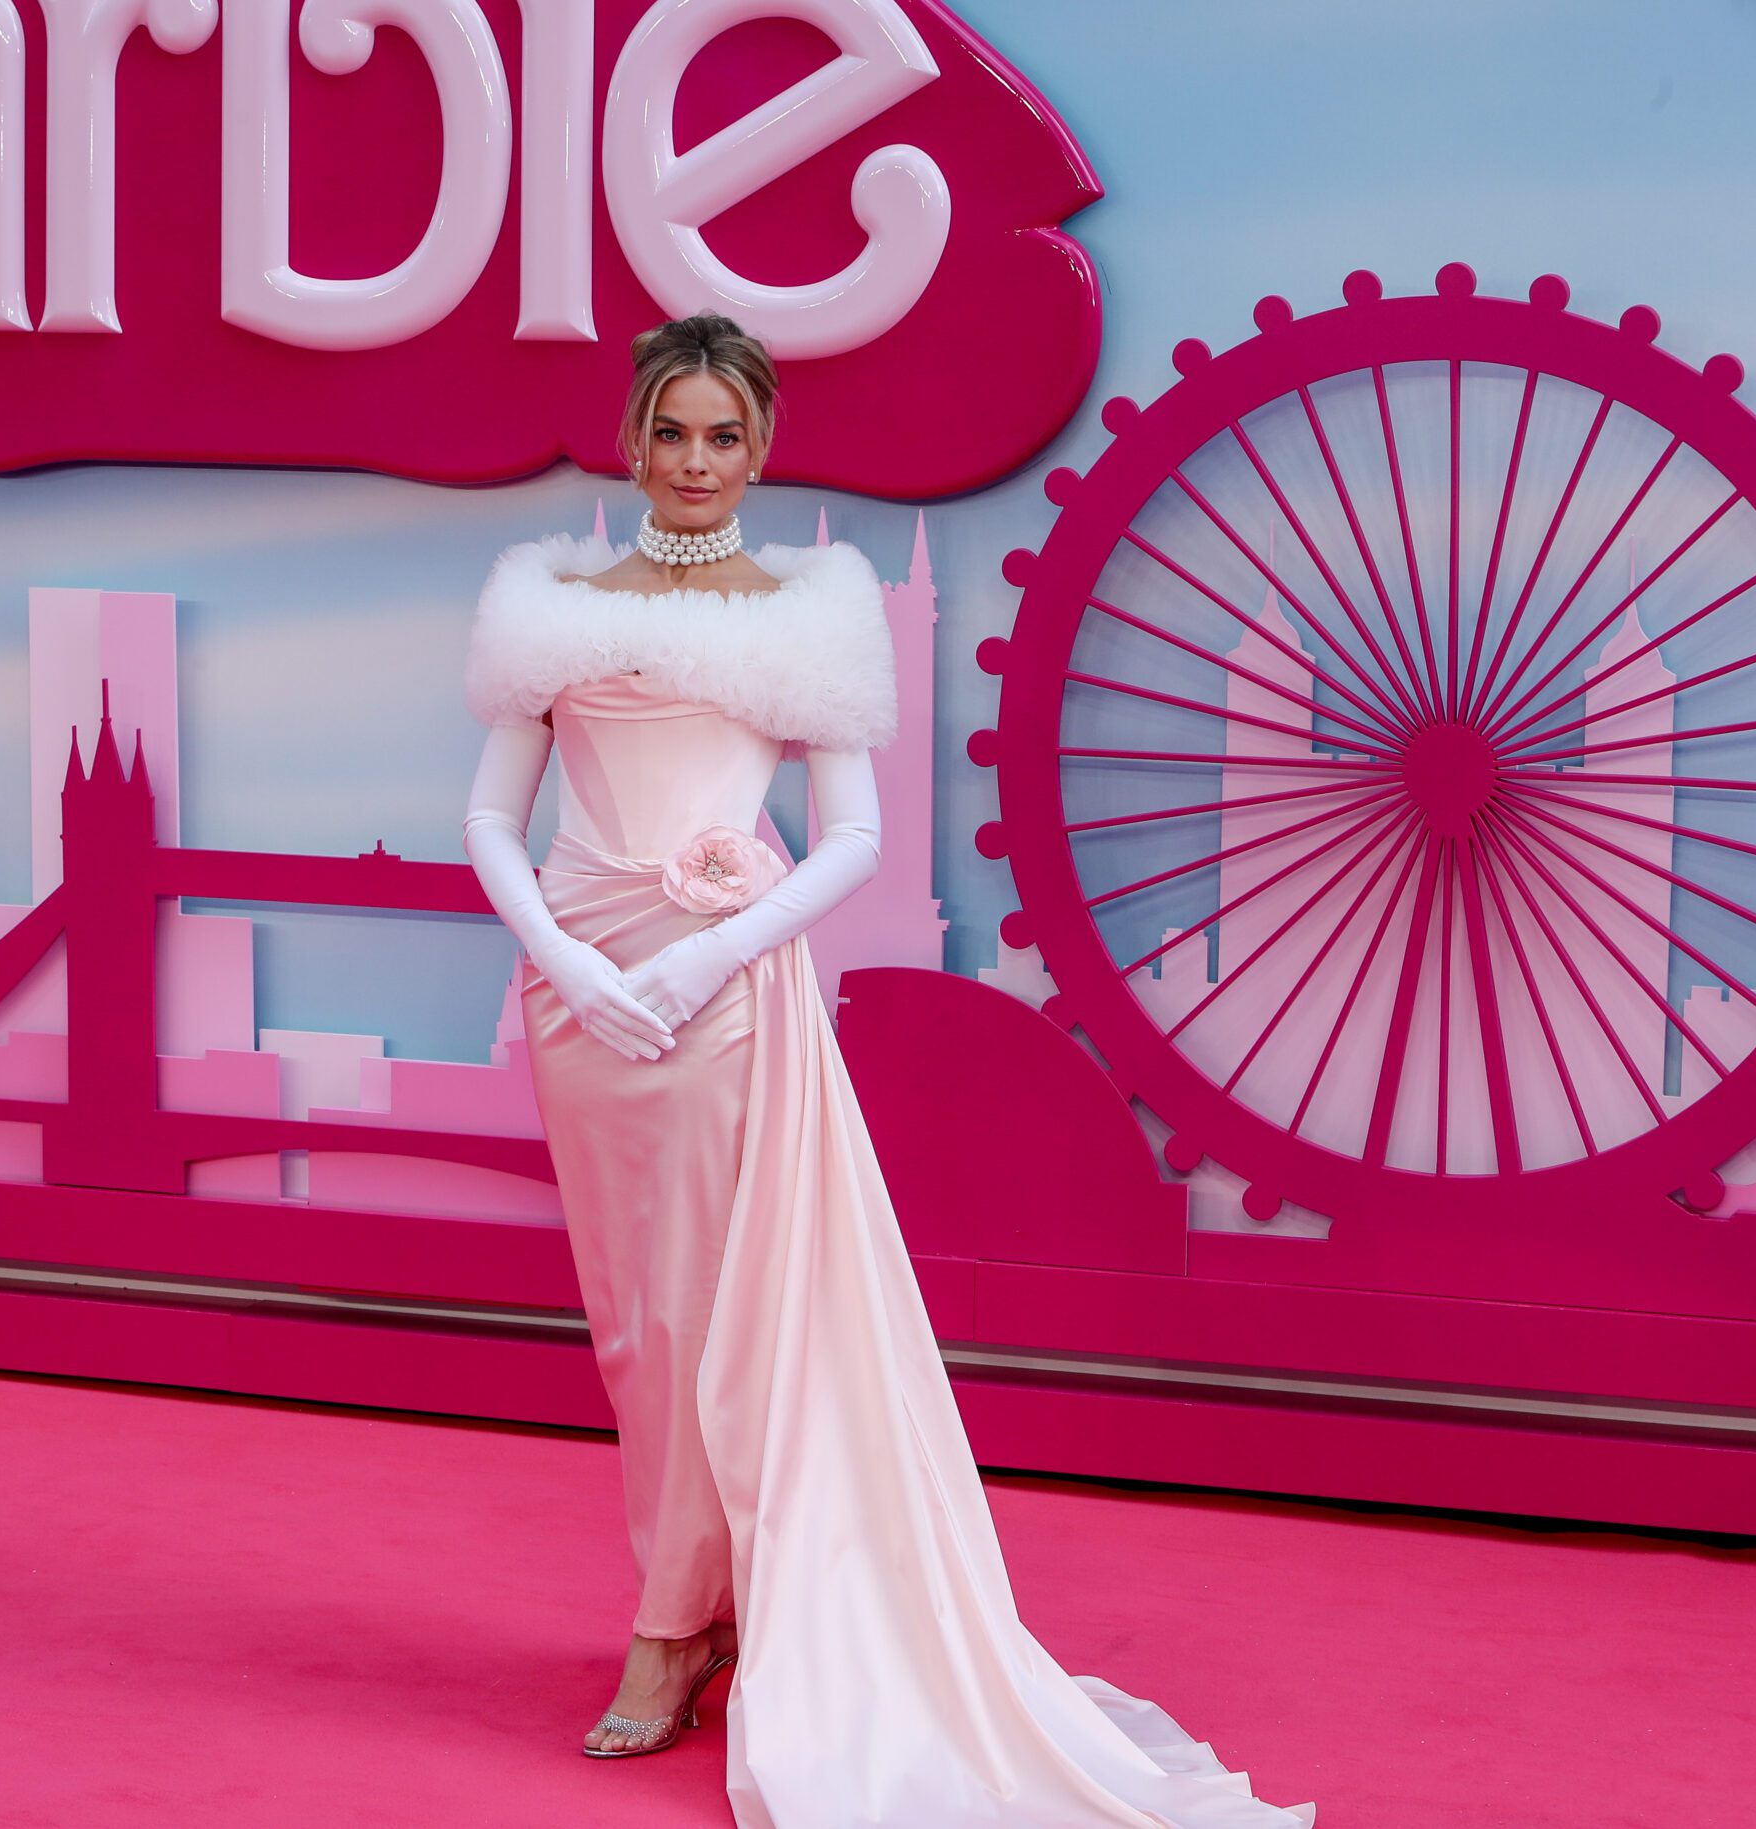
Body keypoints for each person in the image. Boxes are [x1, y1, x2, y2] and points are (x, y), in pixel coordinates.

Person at [458, 312, 1319, 1827]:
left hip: (724, 1000)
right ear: (635, 439)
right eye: (675, 433)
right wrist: (577, 964)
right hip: (584, 1004)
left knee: (737, 1326)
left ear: (764, 447)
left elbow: (852, 838)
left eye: (728, 437)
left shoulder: (808, 614)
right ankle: (692, 1600)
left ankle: (675, 1632)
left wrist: (702, 956)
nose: (700, 463)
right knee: (638, 1328)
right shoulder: (552, 606)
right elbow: (488, 821)